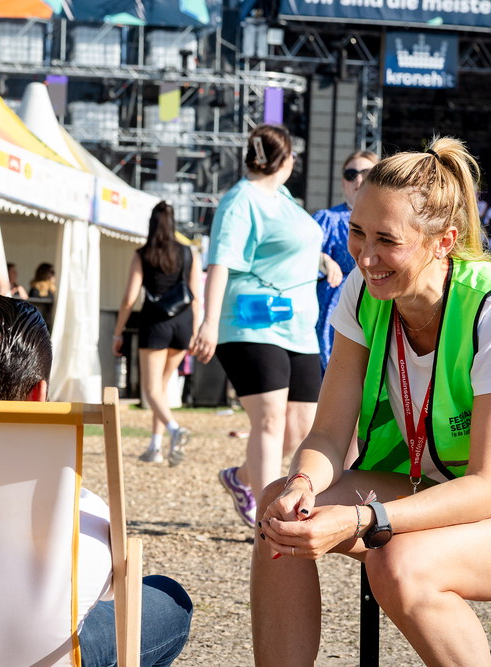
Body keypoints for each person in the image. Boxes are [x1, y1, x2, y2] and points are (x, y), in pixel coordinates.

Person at [250, 137, 491, 667]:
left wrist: (360, 520)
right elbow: (328, 434)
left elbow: (486, 489)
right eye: (357, 232)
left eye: (387, 240)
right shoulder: (363, 290)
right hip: (439, 486)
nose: (366, 256)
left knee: (399, 565)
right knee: (278, 512)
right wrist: (302, 484)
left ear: (444, 241)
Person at [0, 294, 193, 667]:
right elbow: (107, 591)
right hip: (28, 659)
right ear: (39, 394)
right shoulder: (77, 513)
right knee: (168, 599)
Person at [190, 124, 322, 526]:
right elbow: (220, 263)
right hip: (251, 323)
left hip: (299, 327)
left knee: (301, 426)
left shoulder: (282, 197)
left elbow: (292, 243)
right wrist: (209, 322)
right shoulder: (240, 199)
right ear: (286, 160)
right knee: (269, 419)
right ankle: (269, 524)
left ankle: (241, 478)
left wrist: (324, 260)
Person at [113, 202, 201, 466]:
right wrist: (195, 331)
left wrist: (118, 333)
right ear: (174, 224)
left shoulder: (143, 254)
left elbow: (130, 298)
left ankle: (175, 430)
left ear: (151, 224)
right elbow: (195, 297)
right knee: (161, 388)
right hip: (183, 323)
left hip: (155, 323)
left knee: (150, 389)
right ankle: (155, 447)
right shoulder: (189, 253)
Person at [313, 150, 379, 377]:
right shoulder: (328, 219)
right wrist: (323, 259)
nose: (358, 179)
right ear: (343, 181)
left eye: (366, 173)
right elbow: (299, 254)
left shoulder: (390, 220)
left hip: (377, 301)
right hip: (336, 305)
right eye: (351, 174)